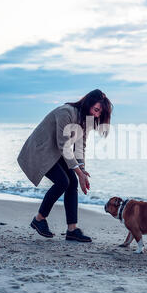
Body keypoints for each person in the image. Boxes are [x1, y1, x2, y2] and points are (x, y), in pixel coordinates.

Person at [17, 89, 113, 242]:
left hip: (57, 152)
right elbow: (64, 146)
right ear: (88, 103)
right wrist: (79, 173)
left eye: (100, 113)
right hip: (41, 150)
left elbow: (80, 146)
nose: (96, 115)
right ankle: (39, 219)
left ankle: (72, 230)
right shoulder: (66, 112)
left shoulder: (86, 120)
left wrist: (82, 171)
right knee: (63, 181)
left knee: (72, 182)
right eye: (96, 110)